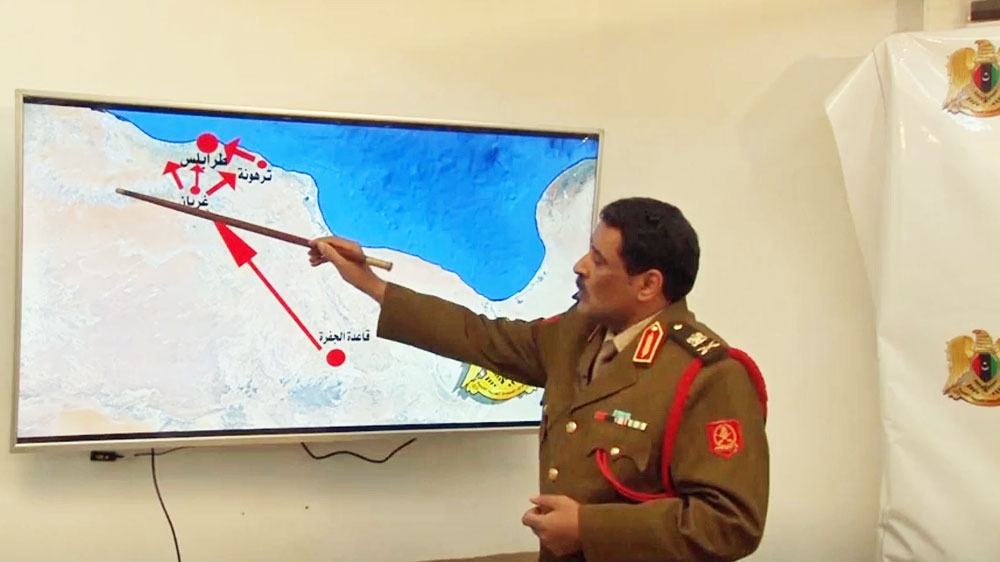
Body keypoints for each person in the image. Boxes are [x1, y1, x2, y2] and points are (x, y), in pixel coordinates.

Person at [308, 197, 769, 562]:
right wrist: (368, 282)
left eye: (599, 259)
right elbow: (481, 337)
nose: (580, 266)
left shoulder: (709, 376)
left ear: (648, 285)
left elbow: (730, 524)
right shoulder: (578, 334)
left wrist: (588, 529)